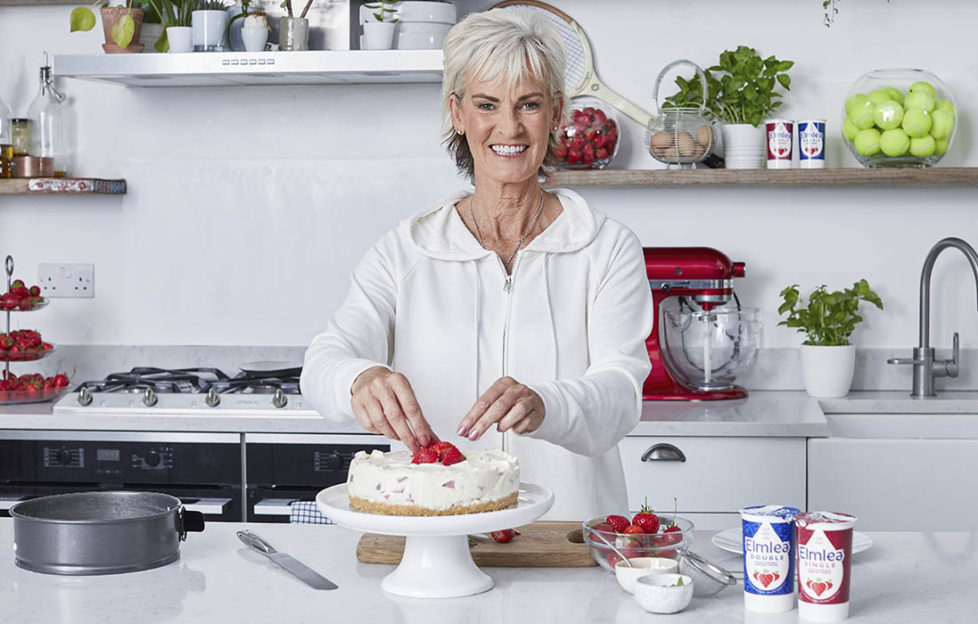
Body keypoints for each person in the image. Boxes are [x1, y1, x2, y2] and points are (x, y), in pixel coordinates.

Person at [300, 8, 652, 520]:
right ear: (457, 113)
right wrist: (358, 378)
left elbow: (621, 393)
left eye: (528, 104)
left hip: (567, 540)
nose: (509, 126)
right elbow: (323, 361)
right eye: (487, 104)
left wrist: (547, 403)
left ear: (555, 113)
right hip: (435, 544)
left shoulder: (606, 247)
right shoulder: (406, 250)